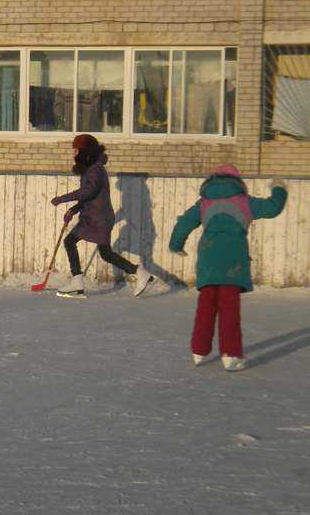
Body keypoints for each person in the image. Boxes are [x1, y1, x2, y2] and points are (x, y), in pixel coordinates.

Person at [169, 165, 287, 371]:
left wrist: (176, 246)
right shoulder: (244, 202)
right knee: (229, 307)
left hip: (208, 258)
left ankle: (199, 351)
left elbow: (183, 224)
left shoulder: (203, 203)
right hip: (233, 260)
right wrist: (279, 188)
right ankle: (231, 355)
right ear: (236, 182)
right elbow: (273, 207)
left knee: (206, 305)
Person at [50, 134, 156, 298]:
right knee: (104, 253)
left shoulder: (95, 168)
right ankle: (140, 273)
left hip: (97, 218)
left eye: (76, 150)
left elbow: (89, 191)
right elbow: (90, 196)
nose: (74, 154)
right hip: (93, 215)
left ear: (85, 151)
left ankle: (78, 280)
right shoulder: (91, 168)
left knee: (72, 242)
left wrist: (64, 198)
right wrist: (73, 210)